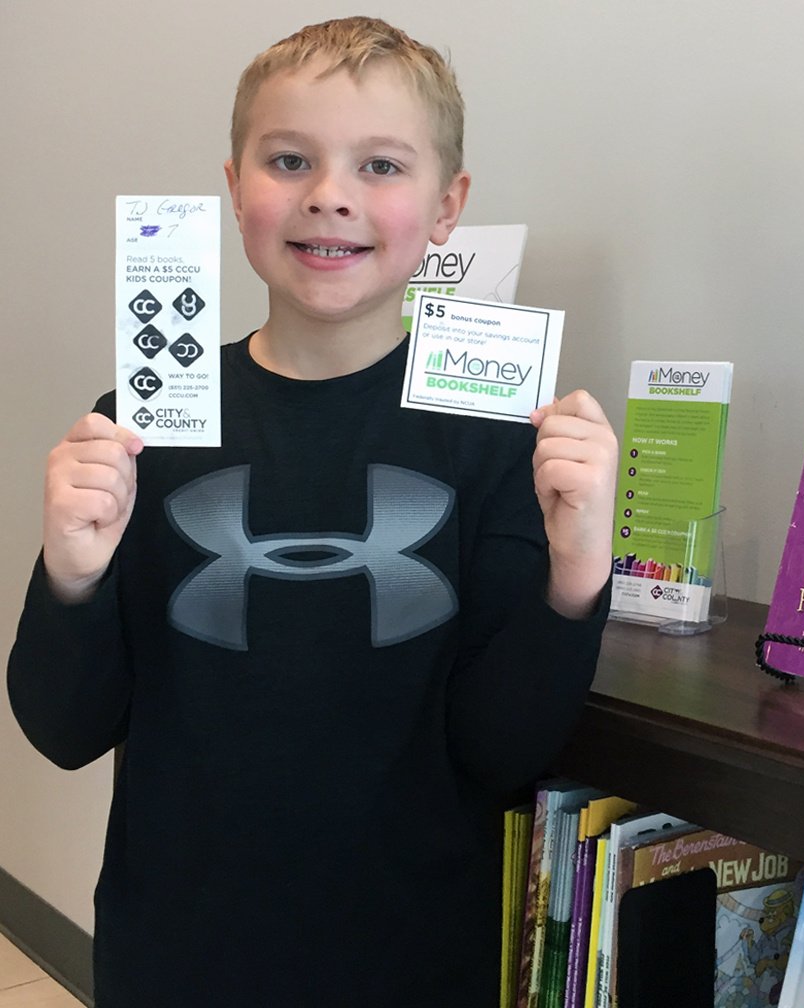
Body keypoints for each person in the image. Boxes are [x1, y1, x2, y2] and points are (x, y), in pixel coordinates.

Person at [7, 17, 617, 1007]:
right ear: (234, 184)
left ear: (447, 206)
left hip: (413, 959)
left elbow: (503, 754)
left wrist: (578, 575)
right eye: (289, 158)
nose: (329, 193)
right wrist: (71, 575)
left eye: (380, 164)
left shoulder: (494, 441)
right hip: (174, 954)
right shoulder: (143, 426)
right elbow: (63, 728)